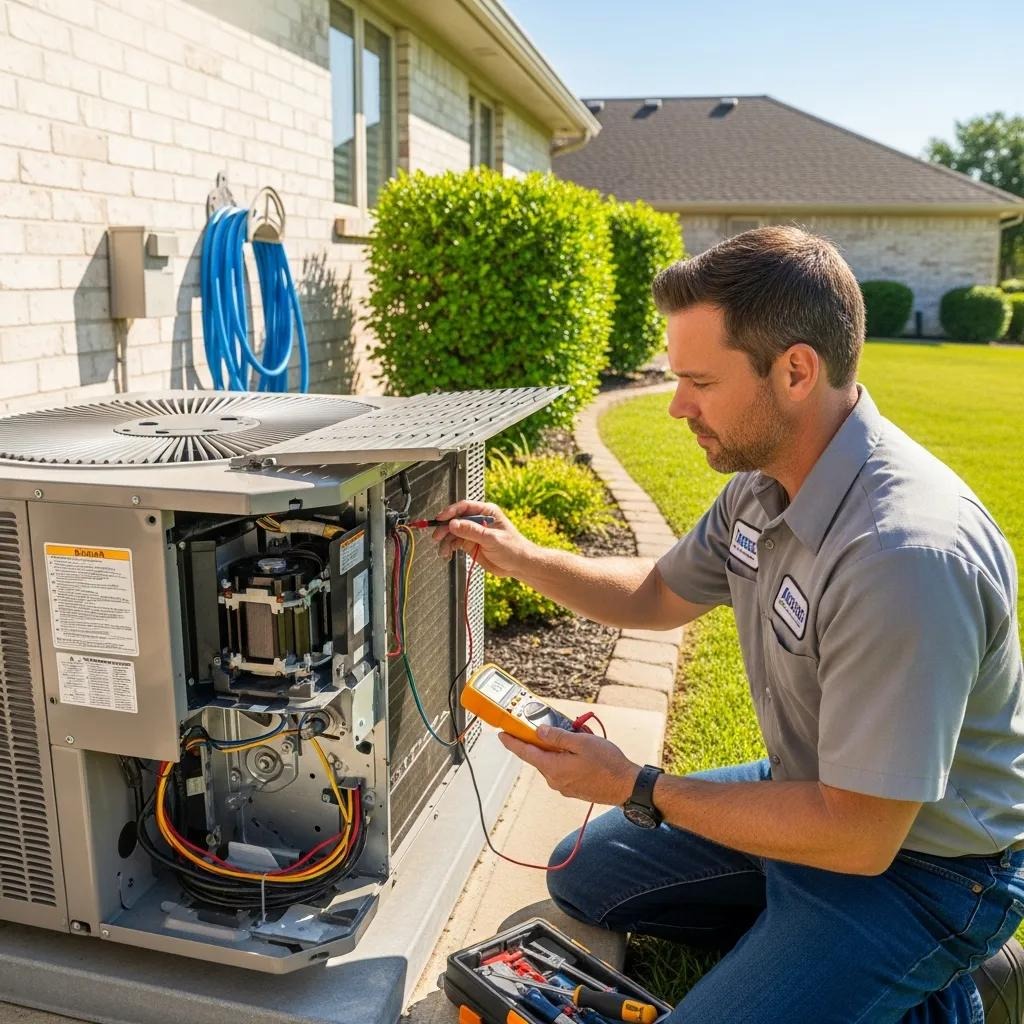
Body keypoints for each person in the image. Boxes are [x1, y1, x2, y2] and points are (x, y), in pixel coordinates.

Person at [433, 226, 1024, 1023]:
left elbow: (860, 838)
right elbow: (653, 592)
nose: (678, 406)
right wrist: (520, 555)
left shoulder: (903, 556)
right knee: (585, 874)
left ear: (796, 371)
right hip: (812, 796)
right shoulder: (765, 483)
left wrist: (638, 785)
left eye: (699, 382)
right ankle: (817, 953)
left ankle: (944, 977)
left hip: (923, 867)